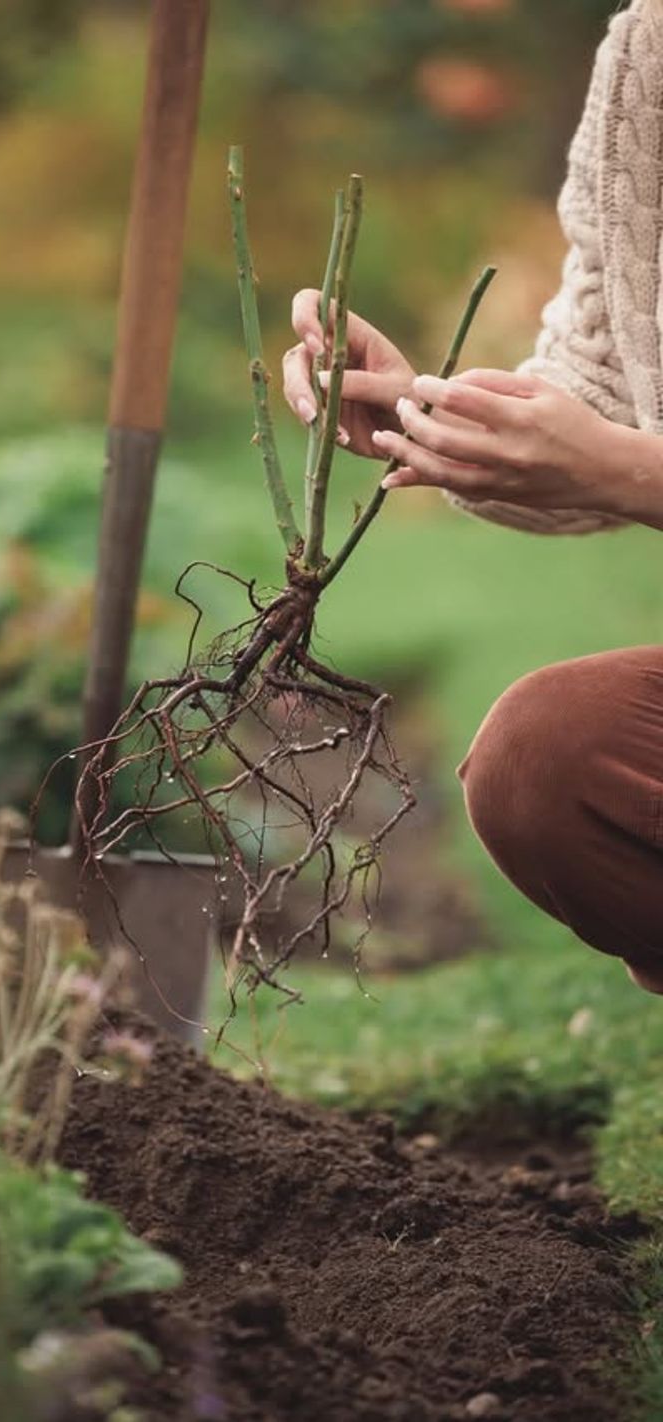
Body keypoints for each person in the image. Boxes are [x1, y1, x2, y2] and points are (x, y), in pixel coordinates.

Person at [282, 0, 663, 993]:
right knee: (551, 759)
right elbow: (598, 395)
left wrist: (623, 470)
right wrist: (427, 416)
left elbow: (617, 454)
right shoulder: (647, 53)